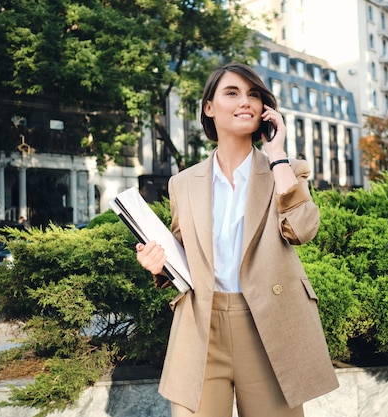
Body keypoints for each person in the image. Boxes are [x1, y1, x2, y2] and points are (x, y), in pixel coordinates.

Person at [135, 62, 338, 417]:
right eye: (232, 93)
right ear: (209, 107)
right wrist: (158, 264)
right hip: (201, 328)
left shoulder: (286, 171)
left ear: (264, 110)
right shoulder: (183, 182)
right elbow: (183, 255)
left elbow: (303, 229)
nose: (246, 102)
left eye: (254, 95)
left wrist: (277, 156)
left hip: (266, 326)